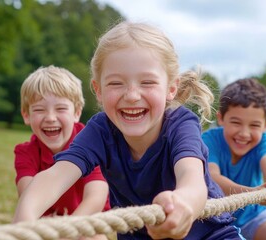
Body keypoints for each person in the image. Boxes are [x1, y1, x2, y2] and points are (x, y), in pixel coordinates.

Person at [13, 21, 244, 240]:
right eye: (116, 83)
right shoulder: (100, 130)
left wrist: (184, 202)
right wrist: (24, 220)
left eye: (147, 83)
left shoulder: (181, 123)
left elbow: (191, 176)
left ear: (170, 88)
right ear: (99, 90)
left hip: (209, 235)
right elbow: (57, 175)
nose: (132, 95)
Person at [202, 78, 266, 240]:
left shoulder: (265, 141)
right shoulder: (209, 140)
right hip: (215, 217)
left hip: (253, 215)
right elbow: (213, 179)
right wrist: (253, 193)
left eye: (254, 125)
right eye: (236, 122)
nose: (244, 133)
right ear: (221, 118)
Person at [14, 65, 110, 219]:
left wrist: (69, 232)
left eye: (60, 109)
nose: (51, 118)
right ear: (26, 115)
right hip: (48, 222)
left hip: (85, 221)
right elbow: (27, 198)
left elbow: (95, 198)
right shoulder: (26, 152)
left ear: (77, 113)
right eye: (39, 110)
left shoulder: (91, 144)